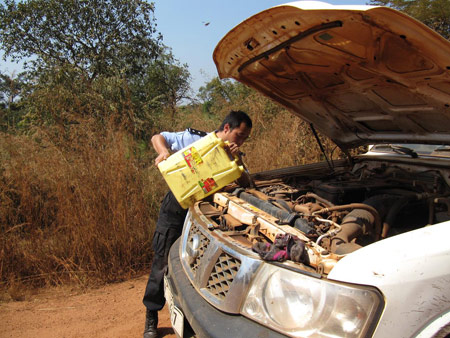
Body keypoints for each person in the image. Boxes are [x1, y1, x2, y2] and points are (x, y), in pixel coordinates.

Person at [143, 110, 253, 338]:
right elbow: (158, 137)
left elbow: (248, 183)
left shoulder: (234, 154)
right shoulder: (195, 140)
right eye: (239, 136)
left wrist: (237, 158)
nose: (240, 141)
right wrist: (164, 152)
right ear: (226, 129)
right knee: (162, 262)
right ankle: (151, 317)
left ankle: (190, 317)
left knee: (196, 267)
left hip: (204, 216)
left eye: (244, 139)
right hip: (176, 209)